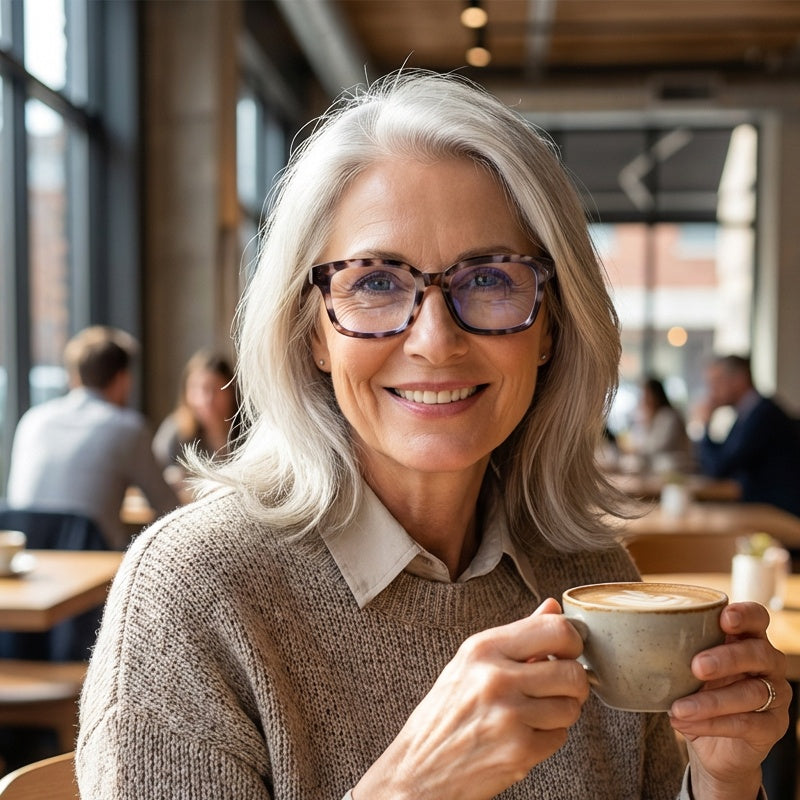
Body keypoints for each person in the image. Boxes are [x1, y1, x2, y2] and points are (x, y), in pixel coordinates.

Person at [76, 73, 788, 799]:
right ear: (312, 333)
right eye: (377, 282)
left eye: (489, 278)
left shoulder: (586, 575)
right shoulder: (192, 595)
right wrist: (411, 788)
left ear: (550, 328)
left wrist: (722, 780)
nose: (436, 340)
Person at [5, 326, 179, 550]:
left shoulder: (32, 420)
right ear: (123, 379)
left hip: (28, 561)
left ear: (75, 376)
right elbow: (169, 509)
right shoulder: (129, 428)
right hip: (95, 567)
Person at [696, 354, 800, 517]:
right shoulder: (749, 412)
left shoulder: (763, 415)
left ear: (739, 379)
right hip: (761, 505)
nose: (712, 392)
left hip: (778, 512)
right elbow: (722, 456)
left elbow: (719, 468)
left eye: (716, 382)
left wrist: (705, 425)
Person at [152, 349, 239, 489]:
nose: (206, 400)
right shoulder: (176, 432)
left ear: (231, 390)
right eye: (197, 389)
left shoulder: (247, 431)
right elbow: (154, 478)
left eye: (215, 389)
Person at [628, 376, 693, 474]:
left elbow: (656, 446)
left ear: (656, 395)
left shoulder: (668, 416)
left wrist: (636, 447)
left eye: (647, 395)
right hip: (658, 468)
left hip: (674, 468)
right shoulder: (651, 416)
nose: (644, 399)